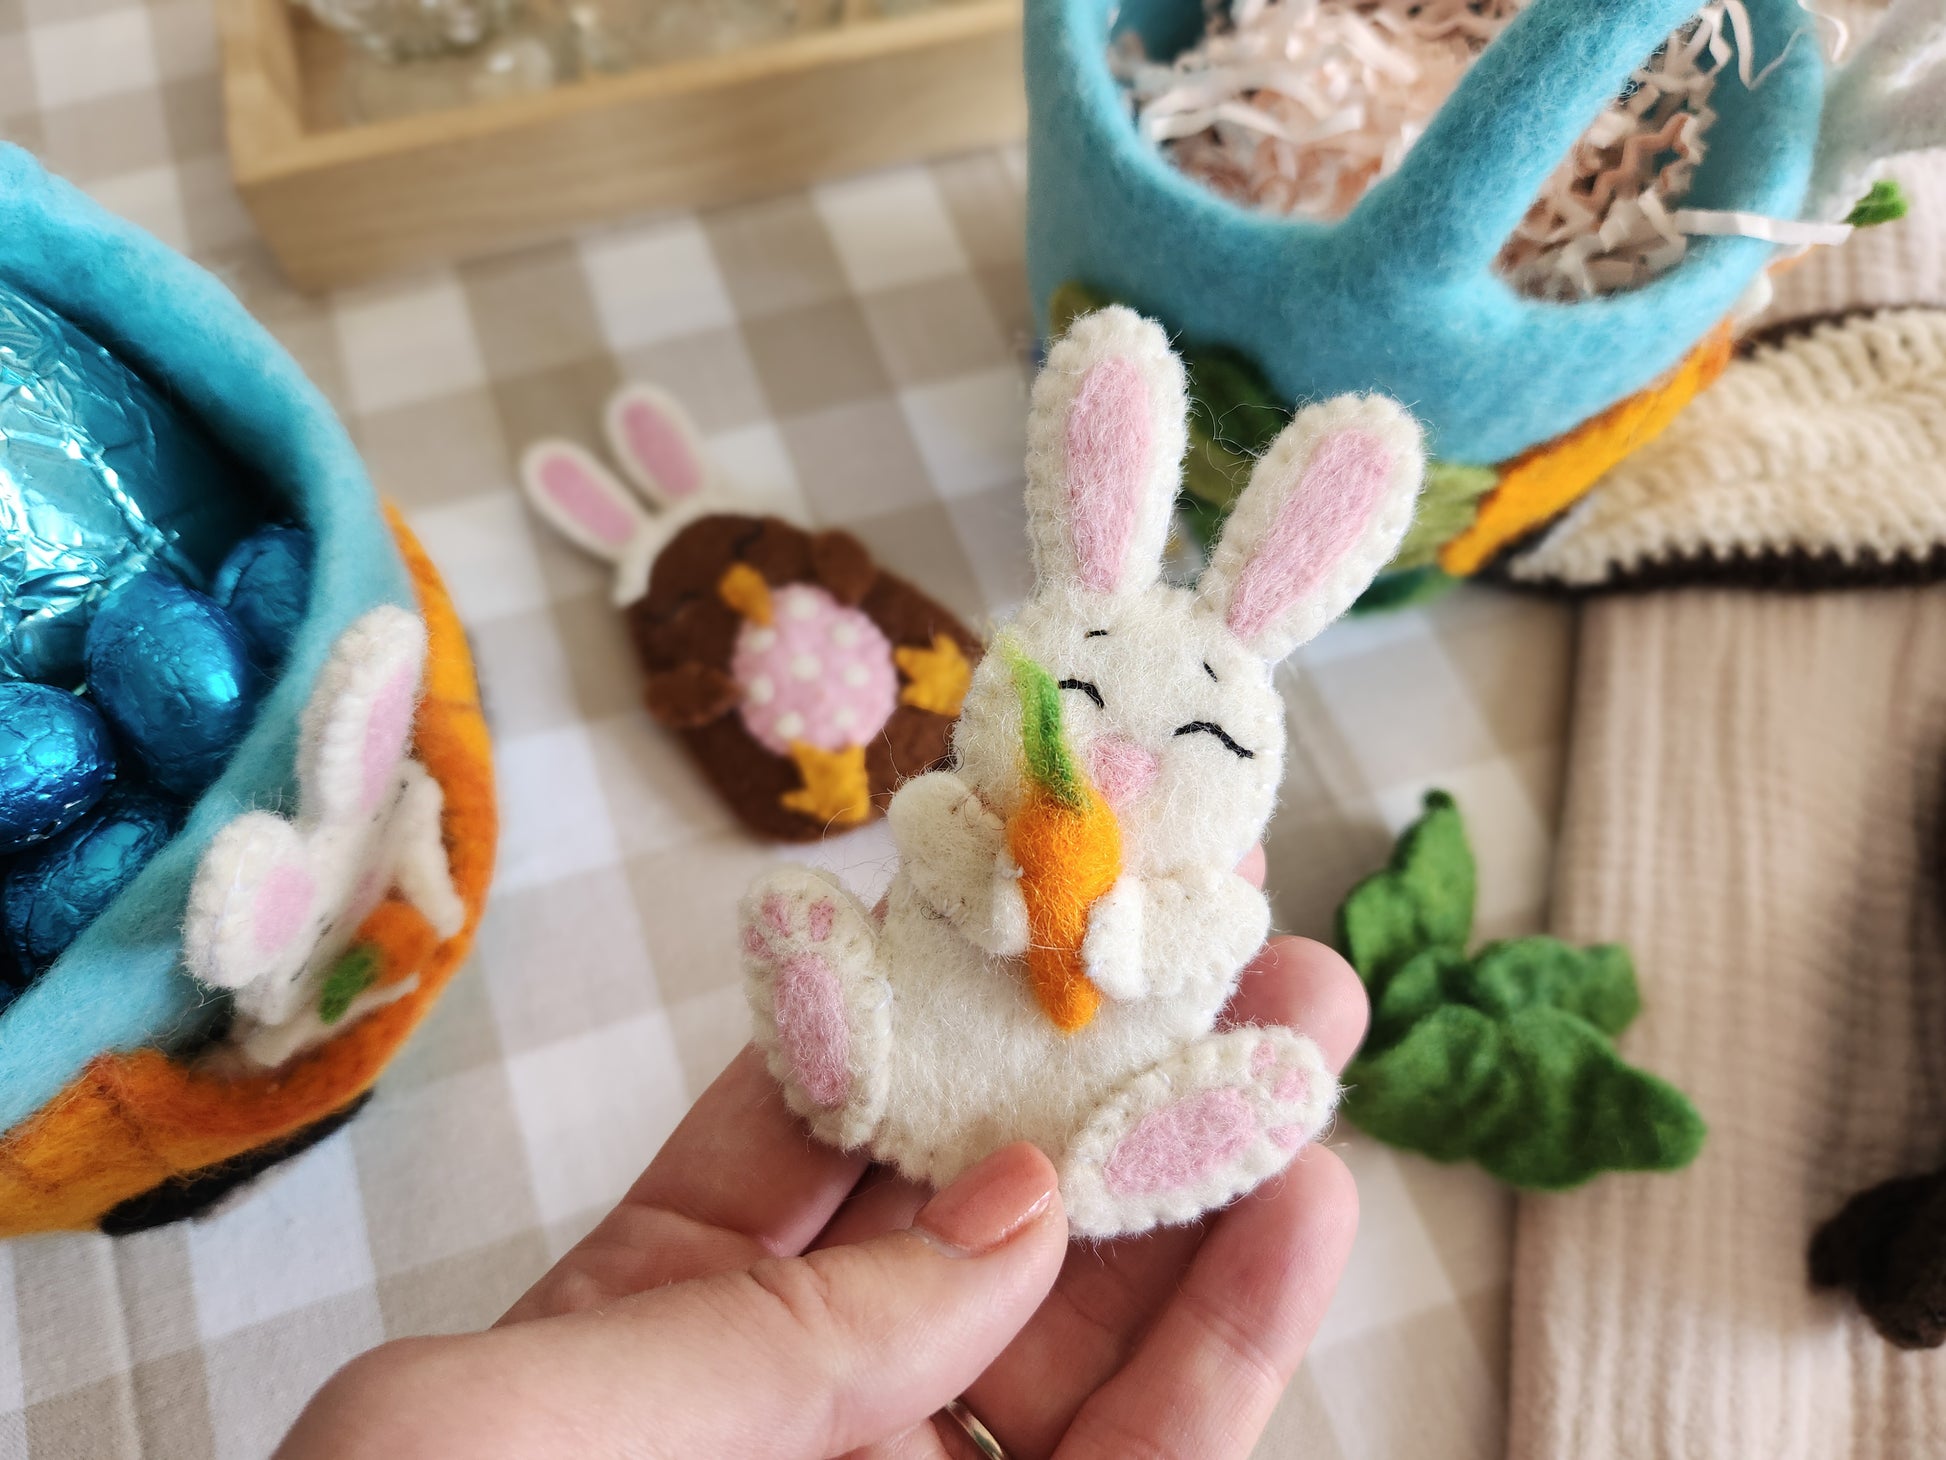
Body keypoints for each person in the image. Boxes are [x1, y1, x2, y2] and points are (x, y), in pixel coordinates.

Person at [275, 852, 1365, 1460]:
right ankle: (843, 1033)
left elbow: (1214, 924)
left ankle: (1133, 1148)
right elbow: (940, 811)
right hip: (938, 1082)